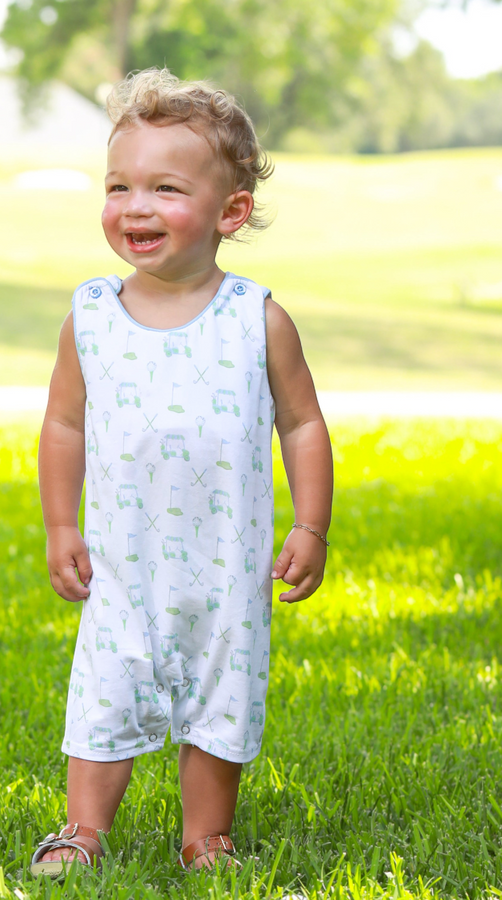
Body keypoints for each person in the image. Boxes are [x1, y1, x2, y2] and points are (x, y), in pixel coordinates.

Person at [31, 68, 333, 877]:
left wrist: (311, 524)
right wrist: (61, 523)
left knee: (220, 688)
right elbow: (64, 424)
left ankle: (207, 836)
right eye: (118, 186)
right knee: (106, 684)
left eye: (165, 188)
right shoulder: (91, 317)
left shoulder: (257, 319)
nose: (136, 206)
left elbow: (303, 423)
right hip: (122, 559)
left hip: (227, 562)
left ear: (230, 212)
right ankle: (82, 830)